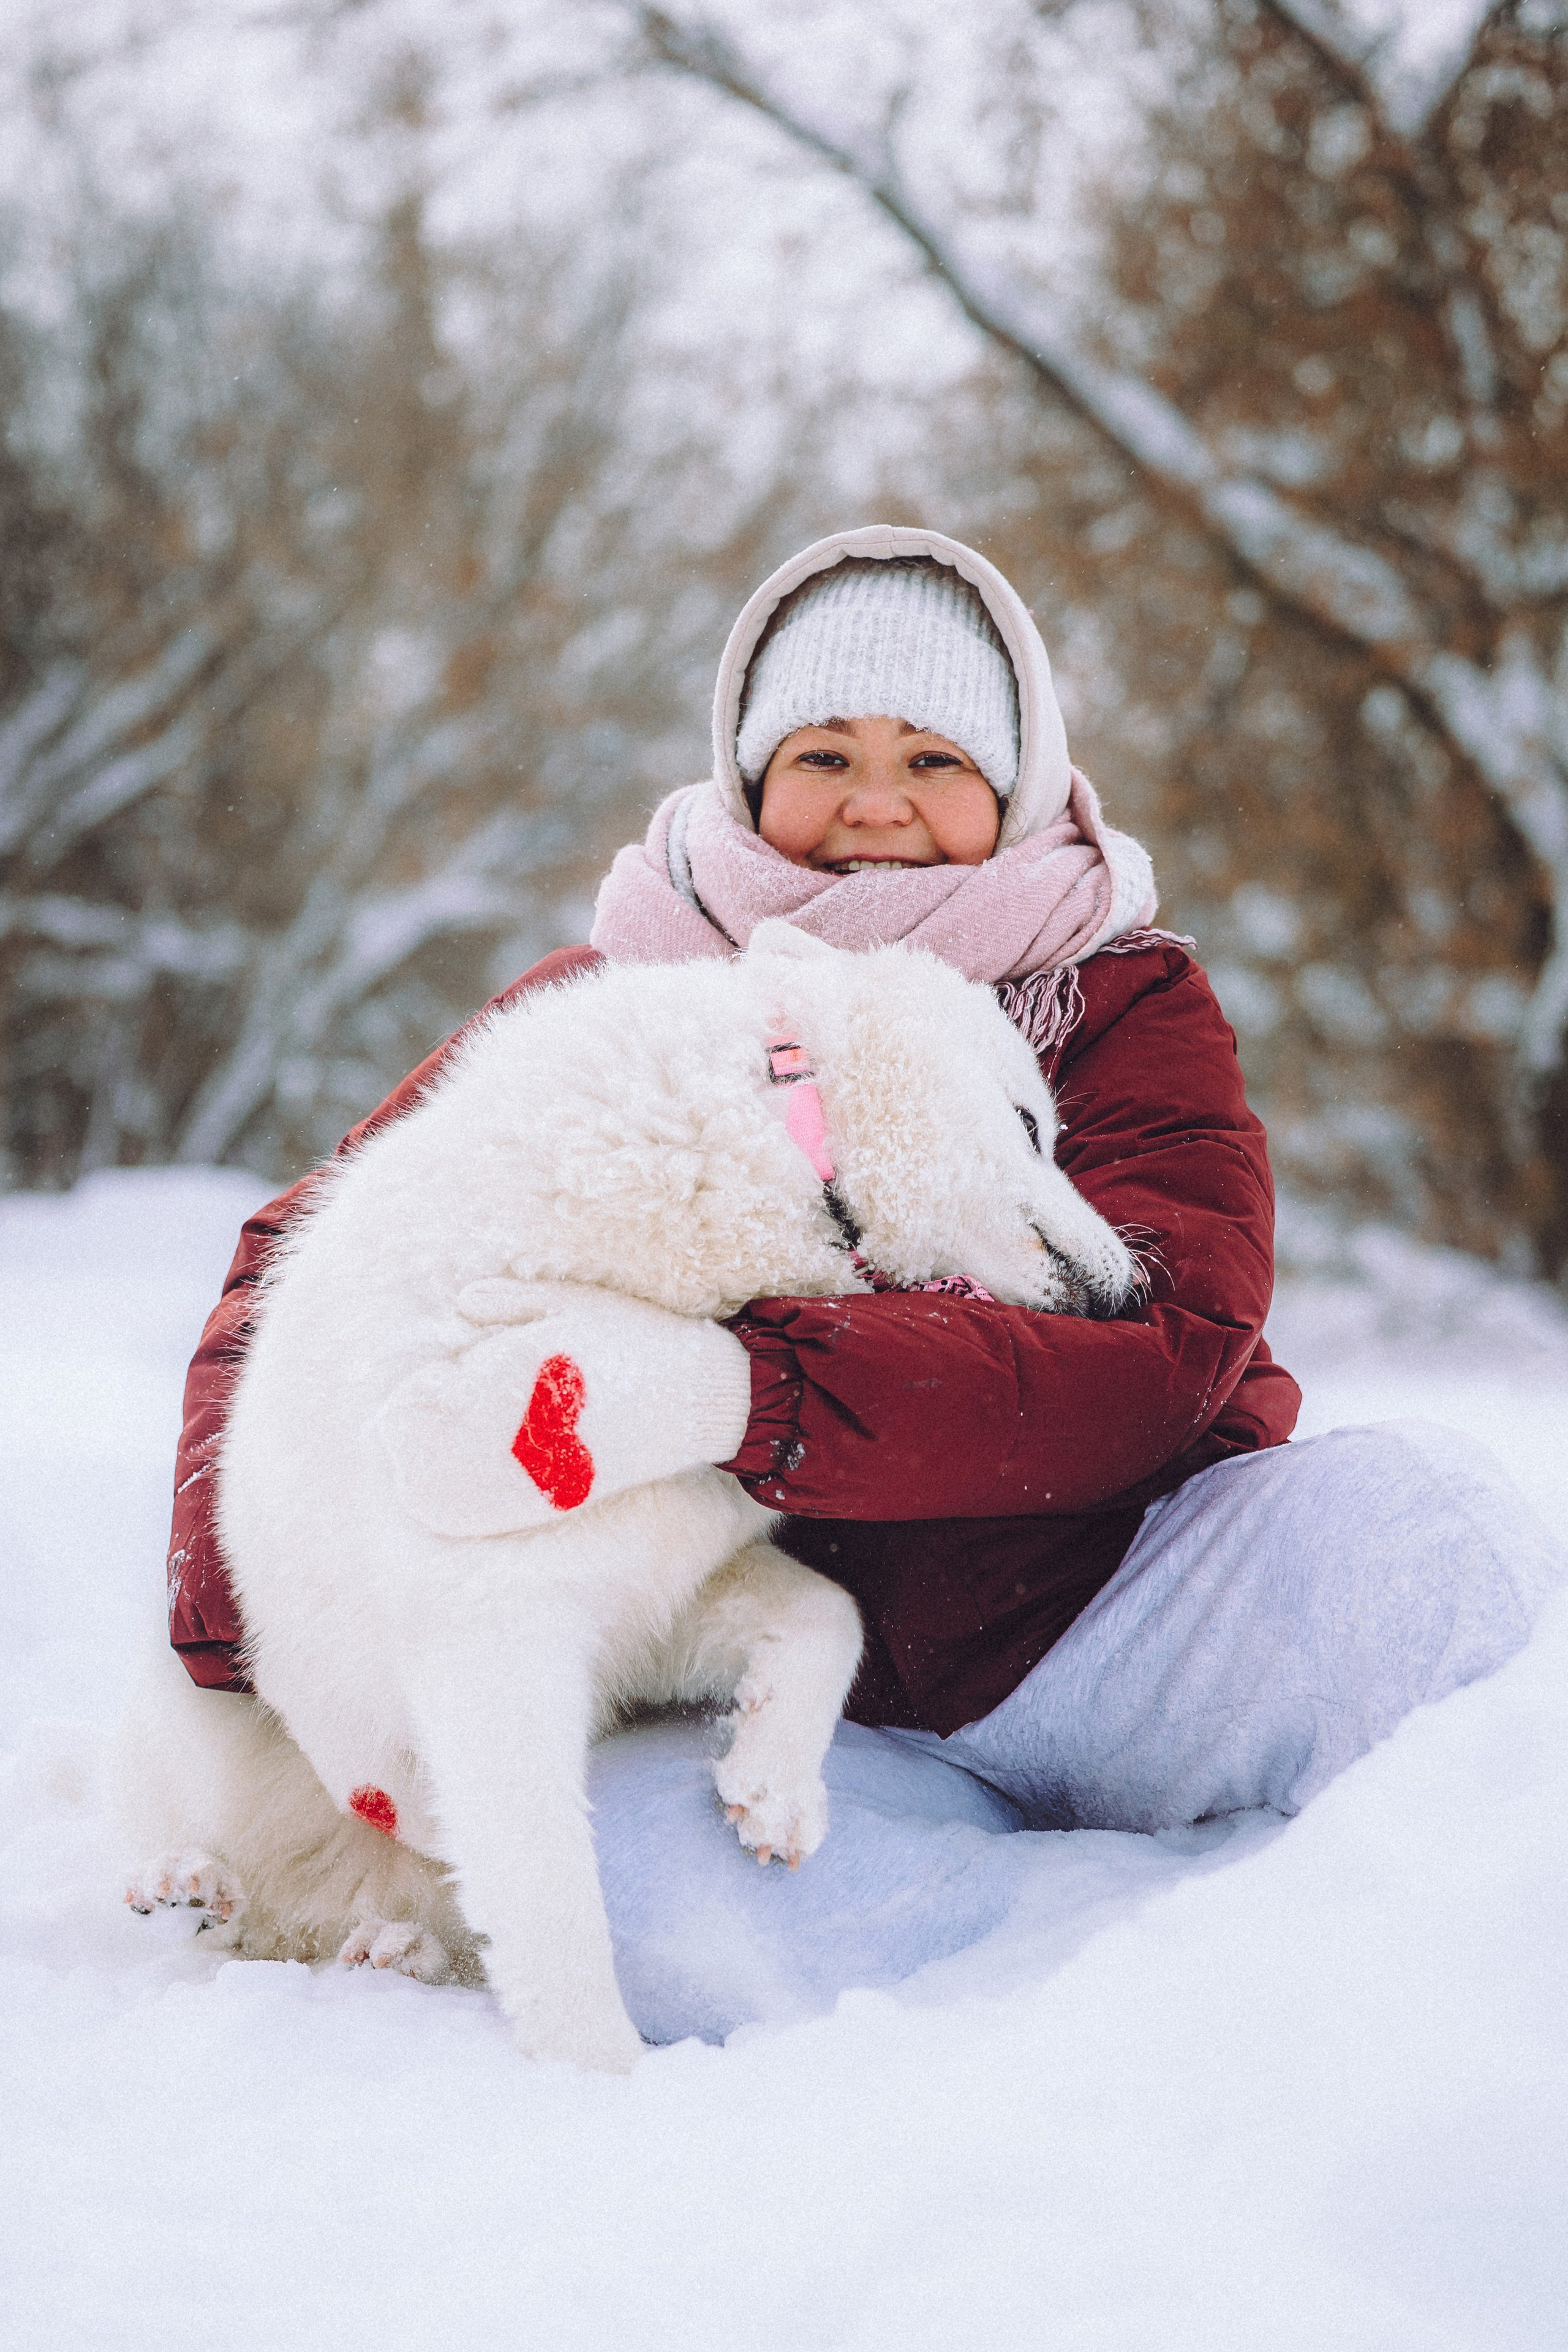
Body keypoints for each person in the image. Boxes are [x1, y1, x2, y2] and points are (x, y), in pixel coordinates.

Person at [164, 525, 1564, 2034]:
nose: (875, 804)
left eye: (935, 757)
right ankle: (1118, 1963)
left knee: (1434, 1550)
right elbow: (308, 1263)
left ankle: (1416, 1926)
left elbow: (1170, 1341)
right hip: (791, 1691)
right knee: (633, 1903)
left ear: (1015, 782)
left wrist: (744, 1394)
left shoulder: (1116, 998)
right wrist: (253, 1625)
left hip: (1119, 1608)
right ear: (747, 777)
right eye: (823, 753)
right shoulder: (611, 1007)